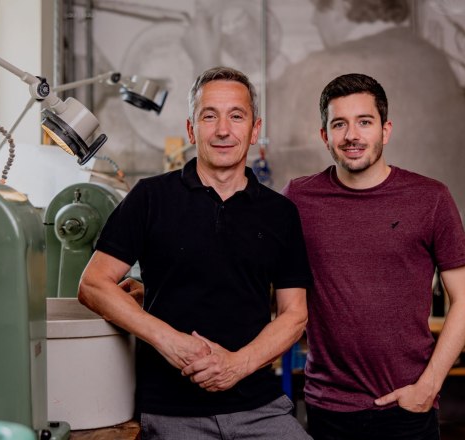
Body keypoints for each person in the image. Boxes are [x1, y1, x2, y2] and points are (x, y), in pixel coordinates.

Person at [78, 66, 313, 440]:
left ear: (254, 130)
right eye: (209, 116)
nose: (223, 130)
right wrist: (170, 342)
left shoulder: (280, 213)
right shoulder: (150, 198)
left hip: (260, 409)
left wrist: (236, 366)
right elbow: (93, 285)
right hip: (172, 412)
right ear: (191, 129)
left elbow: (294, 314)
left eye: (236, 116)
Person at [282, 73, 465, 440]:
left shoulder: (430, 198)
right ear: (324, 135)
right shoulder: (298, 198)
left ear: (385, 130)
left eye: (365, 122)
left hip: (407, 406)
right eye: (339, 124)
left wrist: (428, 387)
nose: (352, 135)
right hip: (328, 407)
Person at [268, 0, 465, 226]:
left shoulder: (318, 70)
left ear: (341, 7)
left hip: (350, 241)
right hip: (439, 241)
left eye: (319, 9)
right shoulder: (435, 60)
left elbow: (268, 160)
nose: (313, 20)